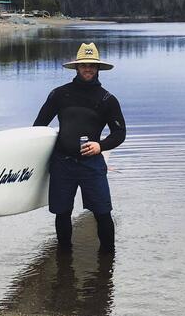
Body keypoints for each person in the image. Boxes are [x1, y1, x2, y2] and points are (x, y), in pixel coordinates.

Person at [34, 42, 126, 252]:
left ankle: (107, 264)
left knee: (103, 213)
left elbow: (120, 133)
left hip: (92, 164)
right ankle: (64, 260)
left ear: (98, 69)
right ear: (76, 67)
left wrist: (100, 146)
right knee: (62, 213)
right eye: (84, 65)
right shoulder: (59, 94)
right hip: (62, 163)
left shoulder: (107, 100)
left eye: (92, 65)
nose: (87, 69)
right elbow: (38, 127)